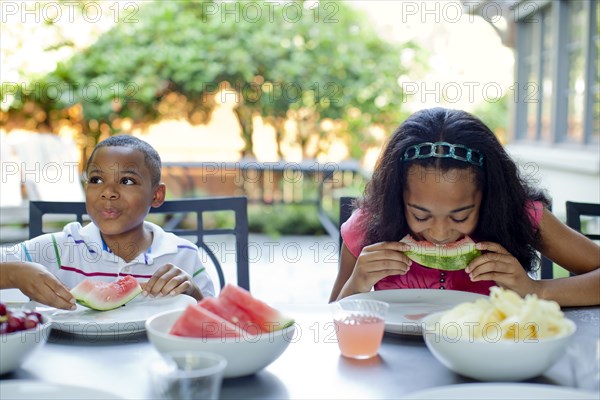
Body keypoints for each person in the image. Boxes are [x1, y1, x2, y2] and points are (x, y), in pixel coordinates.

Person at [330, 108, 600, 307]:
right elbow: (332, 321)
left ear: (489, 196)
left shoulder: (519, 214)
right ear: (396, 198)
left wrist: (536, 290)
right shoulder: (368, 224)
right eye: (420, 215)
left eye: (461, 216)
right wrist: (357, 283)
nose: (439, 232)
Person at [1, 135, 214, 310]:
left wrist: (192, 292)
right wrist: (13, 273)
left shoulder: (183, 254)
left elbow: (213, 322)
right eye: (96, 180)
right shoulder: (56, 248)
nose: (108, 192)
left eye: (127, 181)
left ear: (156, 195)